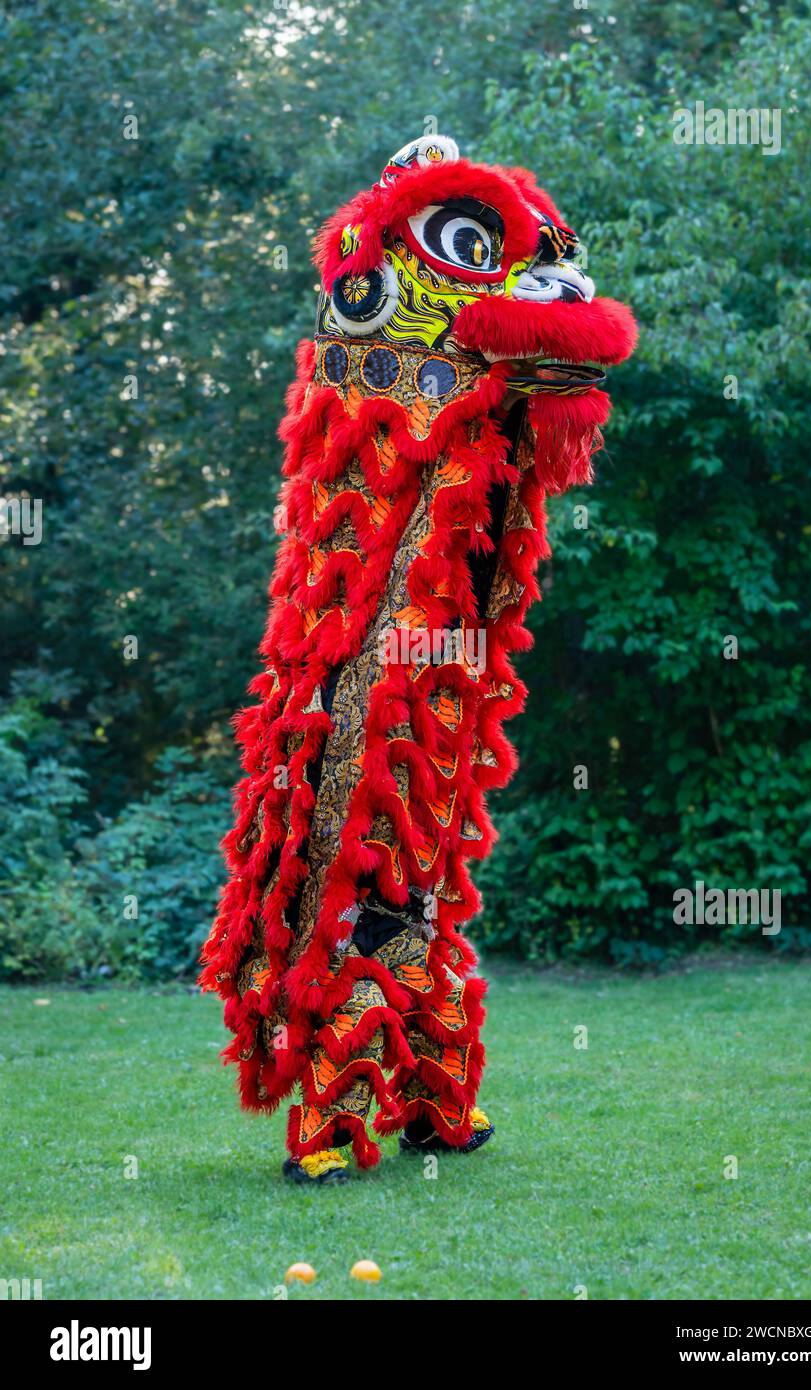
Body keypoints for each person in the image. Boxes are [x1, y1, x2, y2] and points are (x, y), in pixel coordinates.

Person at [199, 135, 637, 1184]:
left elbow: (548, 393)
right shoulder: (372, 371)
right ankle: (339, 1116)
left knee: (425, 888)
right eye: (473, 242)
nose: (556, 276)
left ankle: (437, 1099)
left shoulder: (490, 399)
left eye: (549, 248)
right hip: (361, 686)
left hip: (442, 696)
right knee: (359, 879)